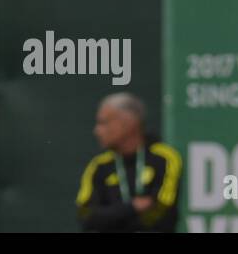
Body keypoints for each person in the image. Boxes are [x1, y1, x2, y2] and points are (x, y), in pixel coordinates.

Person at [76, 94, 182, 233]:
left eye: (104, 123)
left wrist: (111, 219)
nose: (97, 131)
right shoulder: (98, 166)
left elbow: (163, 211)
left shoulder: (165, 158)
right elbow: (86, 217)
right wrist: (132, 207)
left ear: (128, 123)